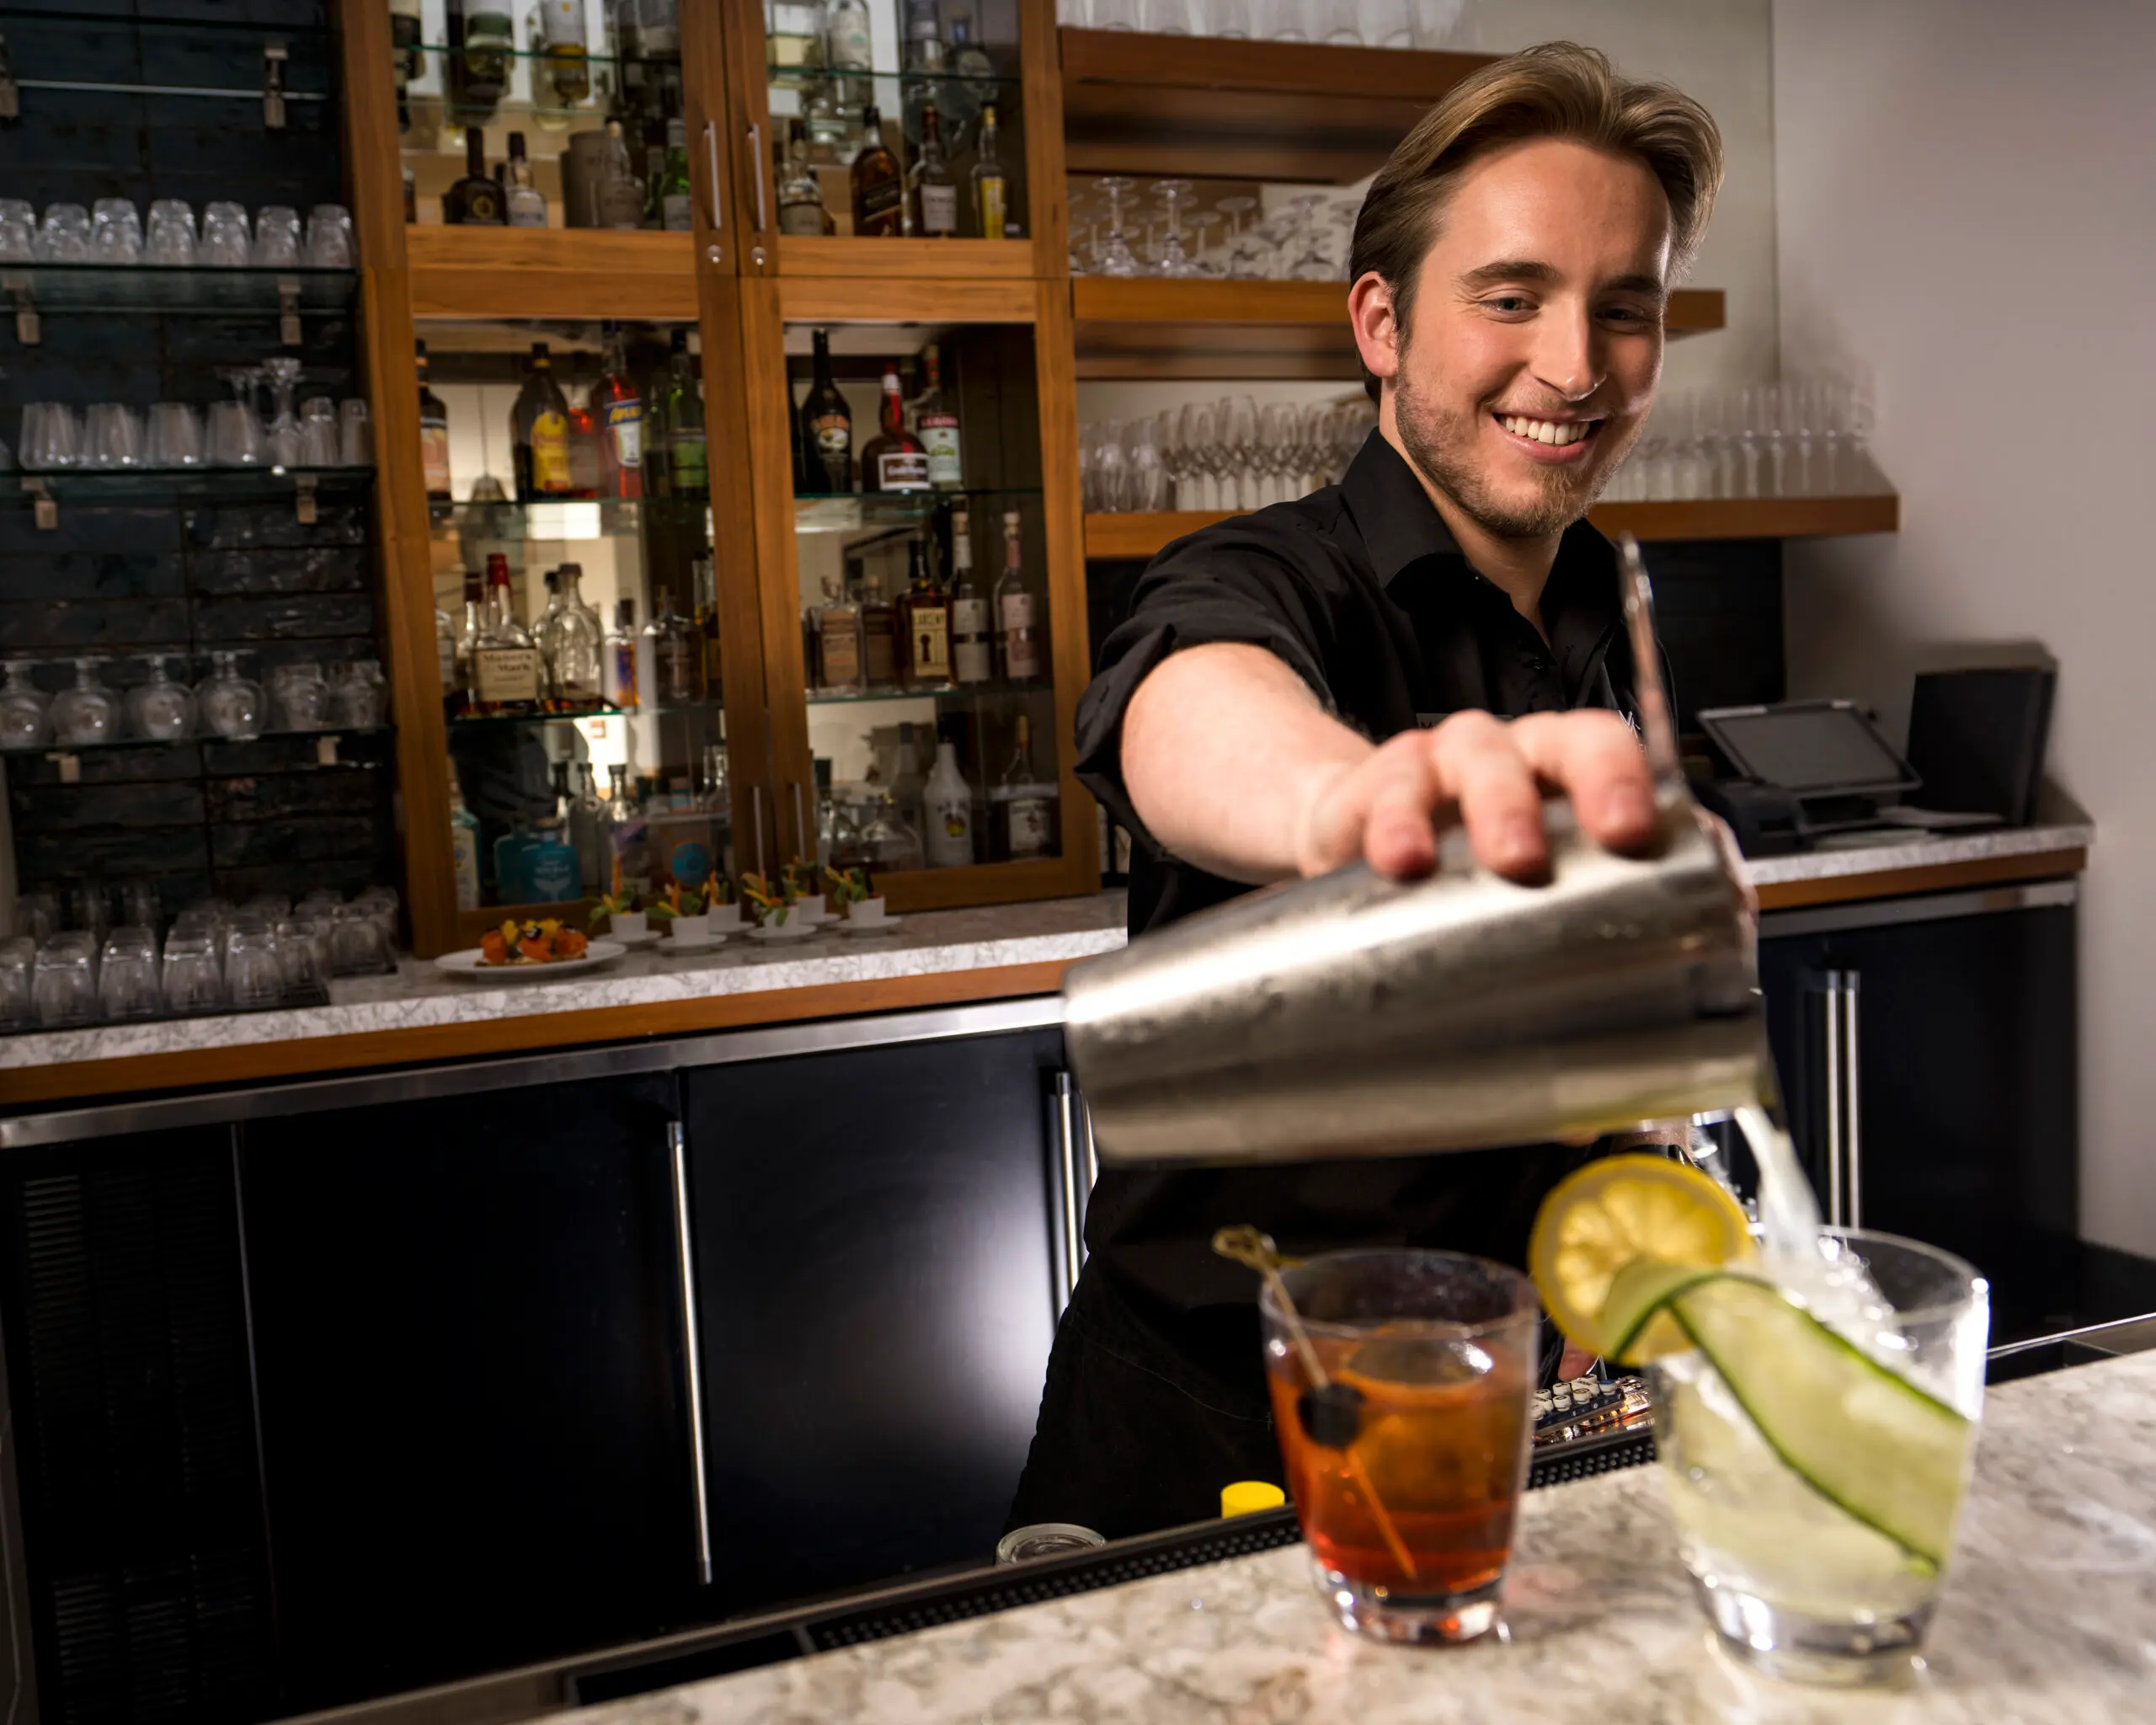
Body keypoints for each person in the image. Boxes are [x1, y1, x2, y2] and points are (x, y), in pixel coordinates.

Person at [1008, 42, 1726, 1539]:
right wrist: (1356, 807)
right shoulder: (1267, 572)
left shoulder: (1614, 619)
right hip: (1214, 1443)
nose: (1576, 364)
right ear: (1383, 325)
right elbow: (1189, 707)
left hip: (1508, 1427)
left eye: (1626, 309)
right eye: (1511, 296)